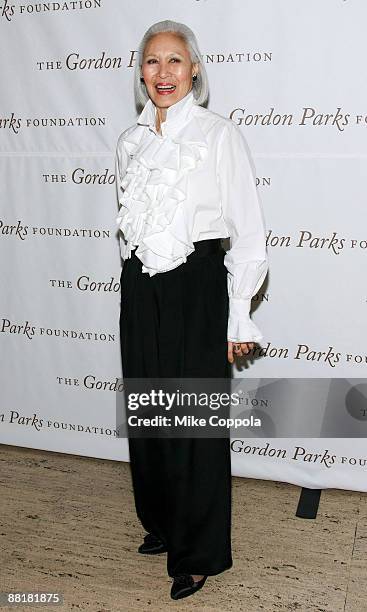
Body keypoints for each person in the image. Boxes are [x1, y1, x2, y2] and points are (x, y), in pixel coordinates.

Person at [115, 19, 268, 601]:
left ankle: (198, 552)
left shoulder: (218, 135)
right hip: (141, 284)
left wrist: (239, 315)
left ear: (195, 68)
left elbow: (248, 234)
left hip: (199, 284)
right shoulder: (130, 140)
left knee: (195, 421)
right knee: (149, 407)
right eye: (151, 62)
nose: (163, 73)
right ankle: (161, 522)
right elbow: (129, 222)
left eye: (174, 61)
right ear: (141, 72)